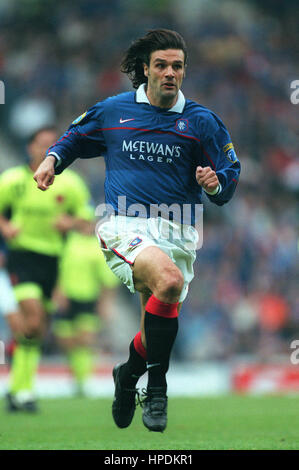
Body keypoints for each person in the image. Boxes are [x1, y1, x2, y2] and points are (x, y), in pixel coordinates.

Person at [33, 29, 241, 432]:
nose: (169, 73)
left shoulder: (202, 122)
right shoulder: (115, 111)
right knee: (168, 280)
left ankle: (127, 375)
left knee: (154, 327)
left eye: (177, 66)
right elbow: (75, 136)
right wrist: (52, 159)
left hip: (179, 232)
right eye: (161, 65)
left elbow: (229, 176)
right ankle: (158, 390)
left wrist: (215, 184)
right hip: (124, 224)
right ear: (145, 68)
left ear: (184, 71)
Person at [0, 127, 91, 411]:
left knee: (36, 328)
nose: (45, 150)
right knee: (33, 316)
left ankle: (18, 391)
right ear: (29, 148)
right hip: (22, 257)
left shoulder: (71, 184)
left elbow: (87, 223)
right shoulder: (13, 180)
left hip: (53, 261)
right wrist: (6, 227)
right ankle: (24, 391)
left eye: (51, 145)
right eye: (41, 144)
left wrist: (71, 224)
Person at [52, 208, 120, 396]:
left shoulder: (97, 247)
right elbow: (57, 269)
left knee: (85, 339)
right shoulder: (66, 243)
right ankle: (77, 376)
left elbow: (107, 280)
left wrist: (105, 303)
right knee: (66, 341)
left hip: (87, 297)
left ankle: (82, 382)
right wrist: (58, 292)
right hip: (67, 297)